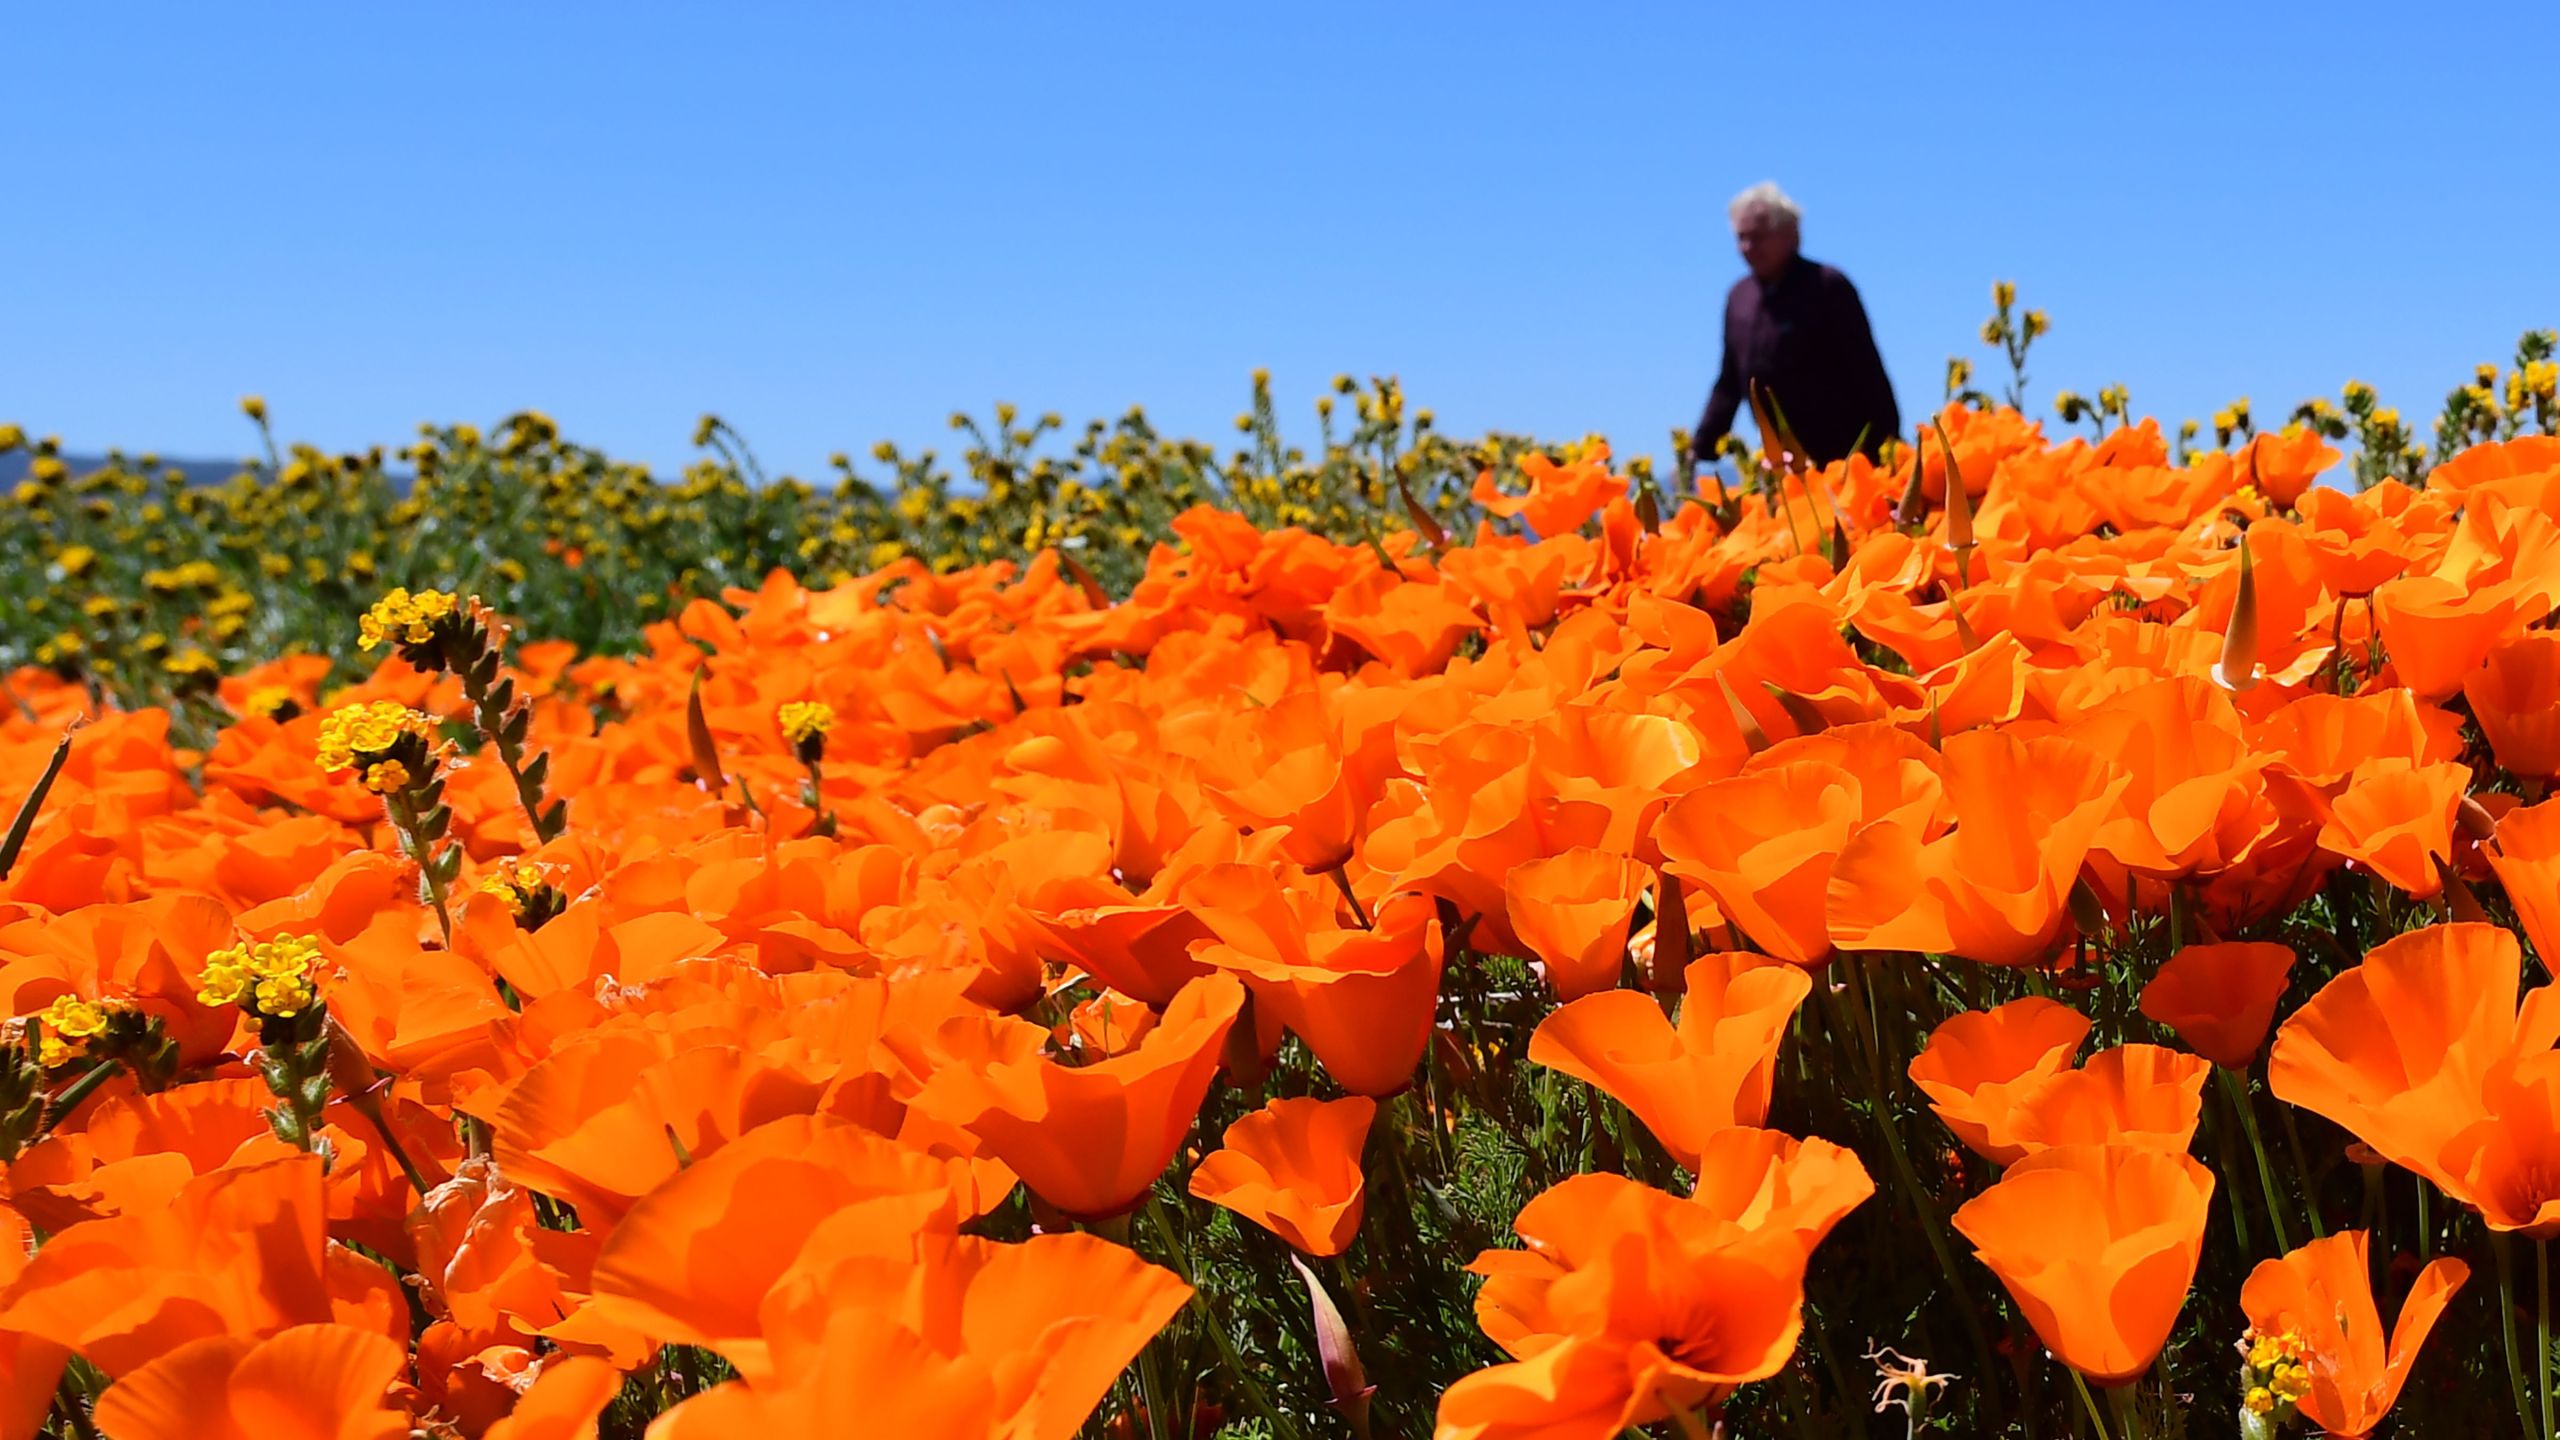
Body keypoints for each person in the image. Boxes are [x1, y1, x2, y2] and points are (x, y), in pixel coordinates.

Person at [1688, 182, 1900, 471]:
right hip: (1781, 464)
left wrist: (1890, 450)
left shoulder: (1827, 286)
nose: (1748, 248)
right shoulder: (1739, 298)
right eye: (1741, 238)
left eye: (1758, 237)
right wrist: (1698, 449)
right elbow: (1729, 381)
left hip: (1844, 456)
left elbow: (1868, 373)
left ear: (1790, 234)